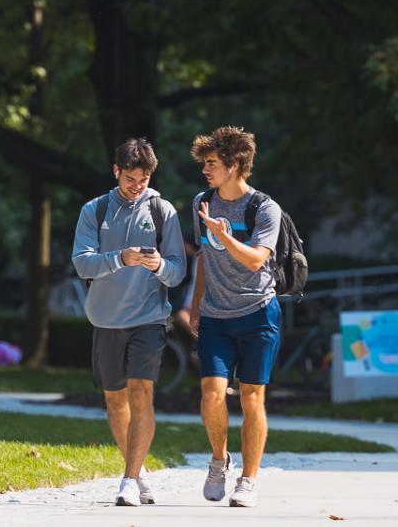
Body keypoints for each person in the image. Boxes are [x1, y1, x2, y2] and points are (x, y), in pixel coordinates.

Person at [70, 138, 186, 507]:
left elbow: (178, 271)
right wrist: (123, 257)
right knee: (115, 399)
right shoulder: (95, 209)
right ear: (116, 171)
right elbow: (82, 262)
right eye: (131, 178)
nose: (138, 185)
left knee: (142, 393)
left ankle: (129, 479)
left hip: (149, 318)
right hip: (105, 319)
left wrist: (158, 266)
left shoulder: (163, 210)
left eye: (145, 178)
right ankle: (137, 470)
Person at [175, 125, 285, 509]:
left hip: (258, 314)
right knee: (211, 394)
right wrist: (198, 302)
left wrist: (226, 237)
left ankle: (249, 481)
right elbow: (205, 255)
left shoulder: (264, 208)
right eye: (205, 163)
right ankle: (220, 459)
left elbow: (256, 260)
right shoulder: (202, 202)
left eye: (212, 163)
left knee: (253, 398)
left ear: (235, 165)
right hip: (217, 318)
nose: (205, 170)